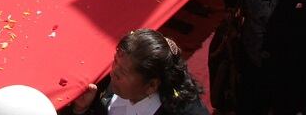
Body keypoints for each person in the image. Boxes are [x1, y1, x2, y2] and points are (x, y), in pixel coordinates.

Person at [68, 28, 206, 115]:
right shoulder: (110, 84)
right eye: (115, 61)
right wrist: (82, 110)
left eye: (122, 72)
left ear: (151, 85)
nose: (112, 73)